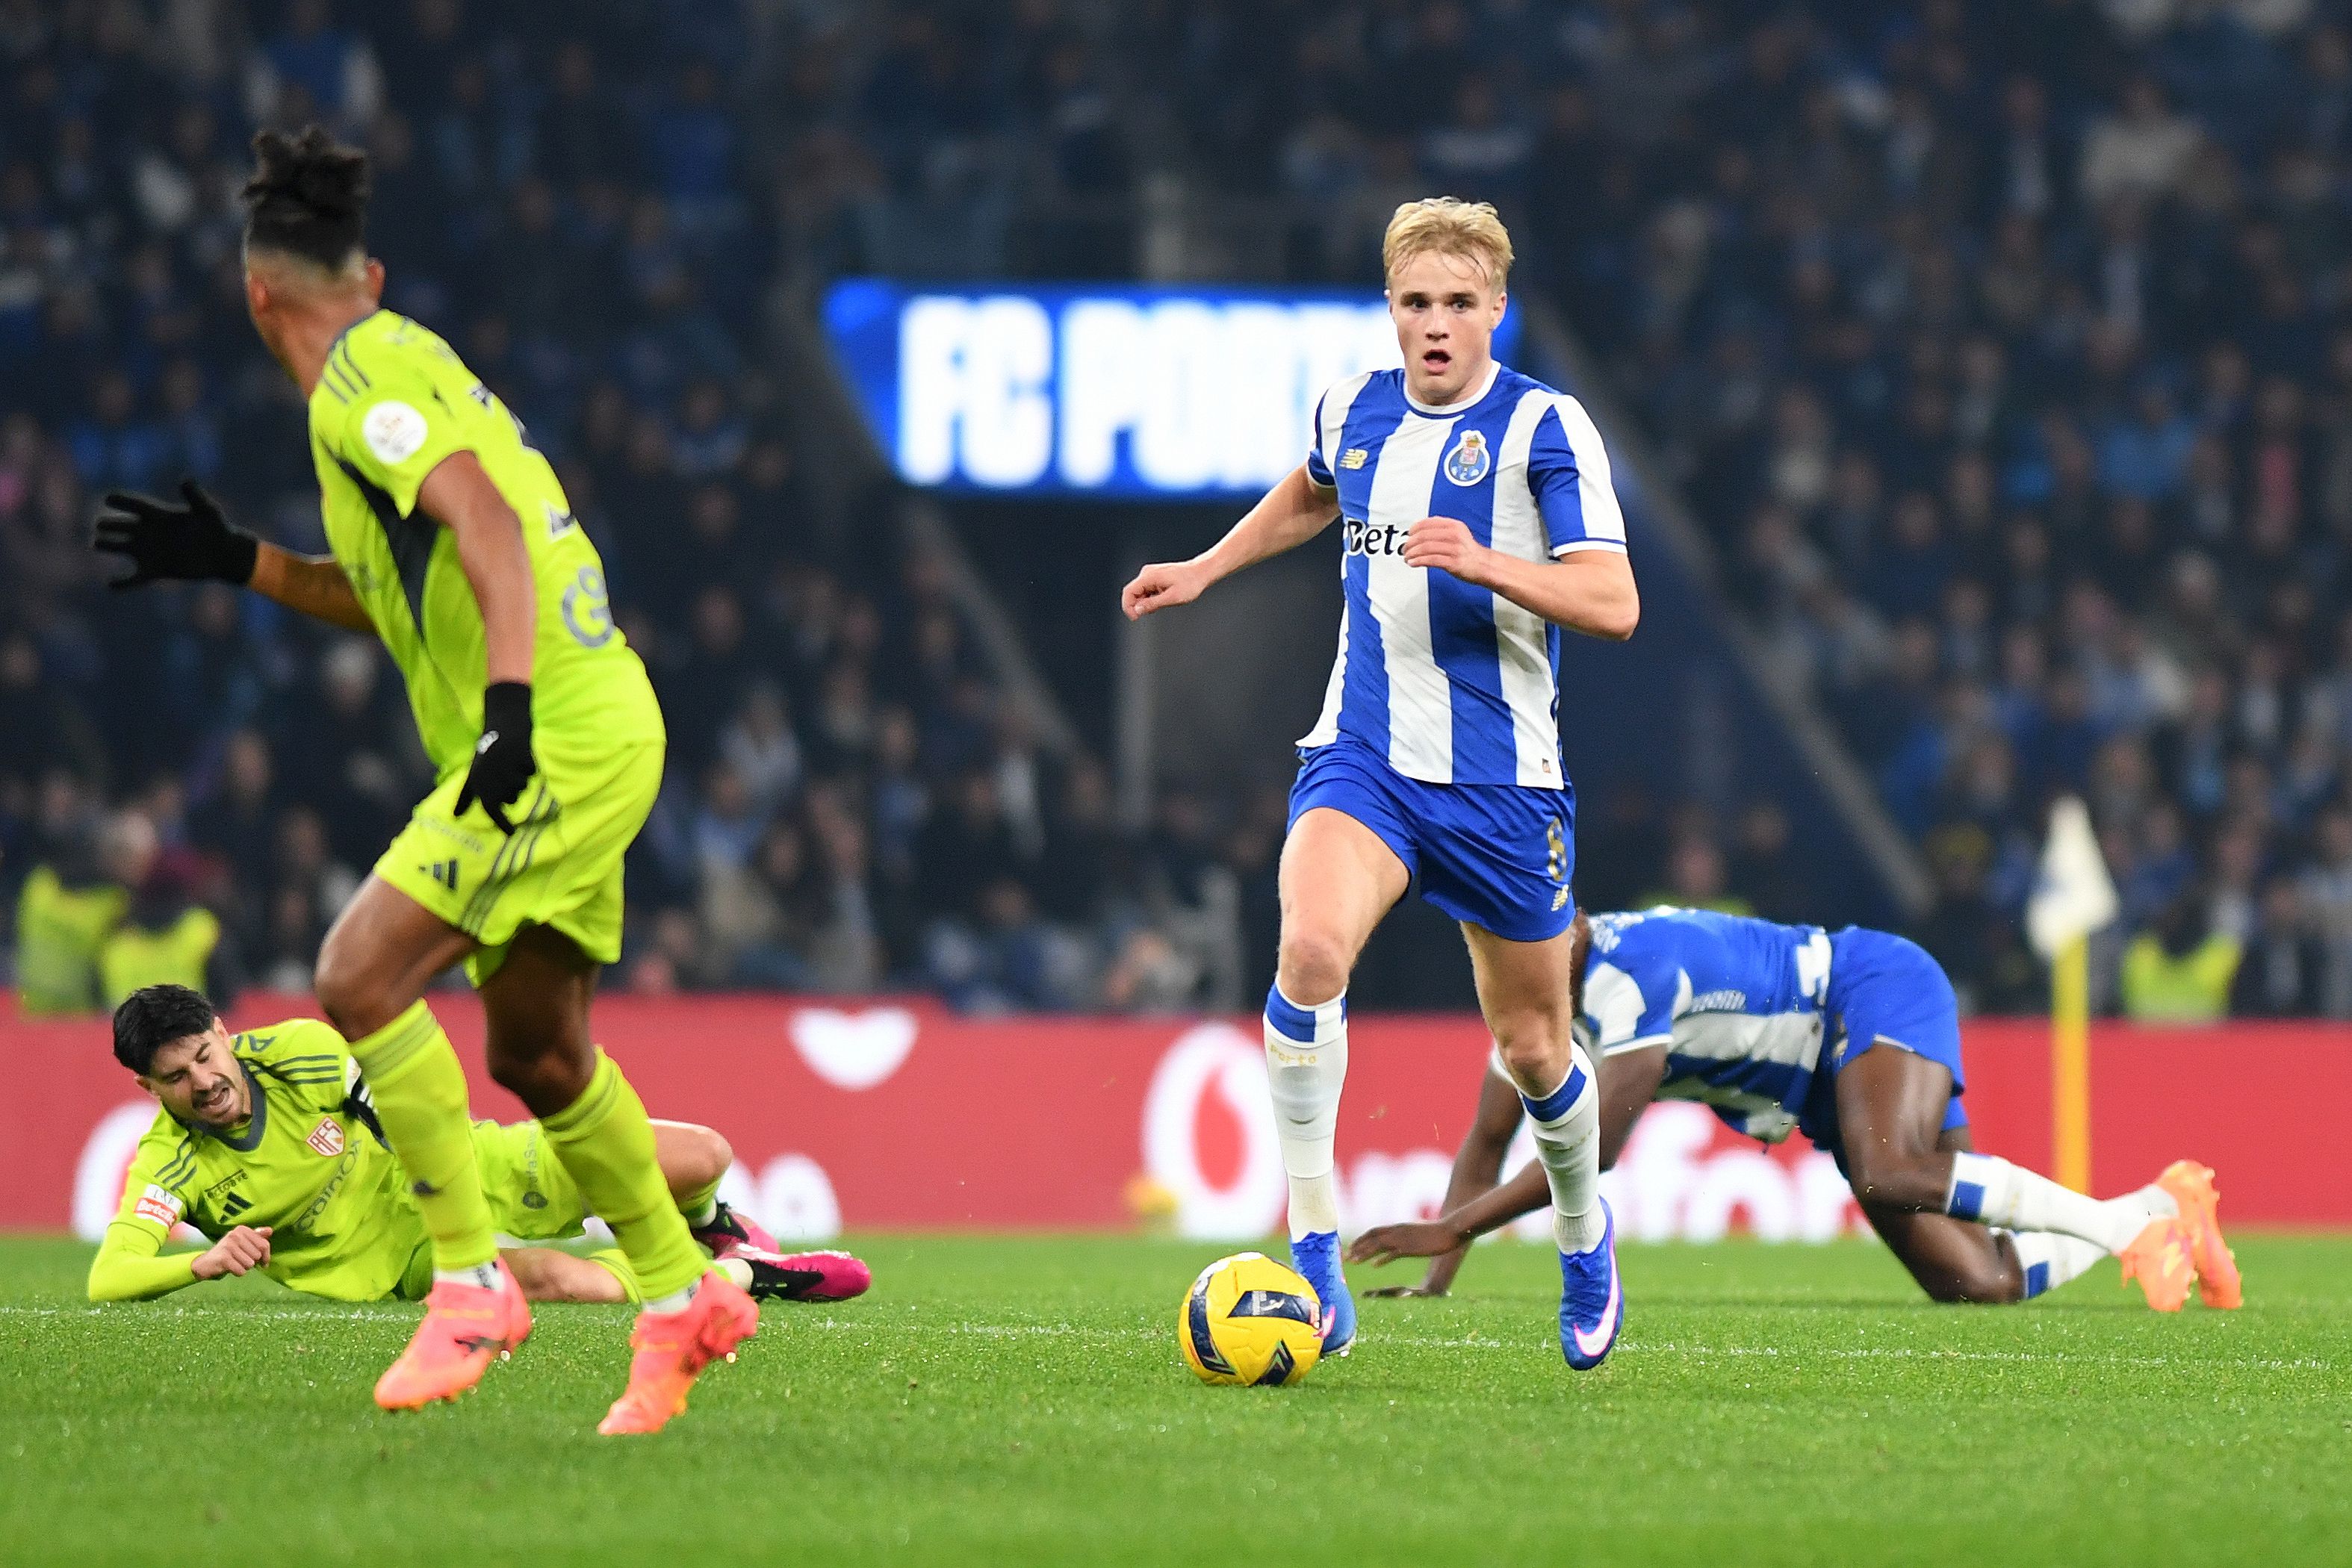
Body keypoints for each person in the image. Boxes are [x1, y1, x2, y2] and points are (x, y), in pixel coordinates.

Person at [92, 126, 753, 1433]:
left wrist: (504, 714)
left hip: (550, 727)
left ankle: (468, 1286)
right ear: (371, 272)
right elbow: (397, 593)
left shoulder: (358, 381)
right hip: (597, 718)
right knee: (539, 1050)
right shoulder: (407, 365)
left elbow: (487, 524)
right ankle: (687, 1301)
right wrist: (243, 567)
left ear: (254, 297)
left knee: (355, 979)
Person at [1121, 199, 1641, 1369]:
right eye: (1416, 303)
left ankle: (1580, 1231)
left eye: (1460, 303)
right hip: (1362, 758)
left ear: (1497, 312)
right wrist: (1208, 568)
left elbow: (1615, 604)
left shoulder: (1546, 431)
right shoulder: (1350, 408)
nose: (1437, 325)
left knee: (1535, 1050)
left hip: (1506, 785)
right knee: (1308, 955)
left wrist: (1487, 561)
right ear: (1391, 310)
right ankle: (1312, 1251)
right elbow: (1314, 492)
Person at [1347, 908, 2243, 1312]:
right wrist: (1438, 1271)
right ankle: (2159, 1209)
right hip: (1819, 1080)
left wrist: (1449, 1224)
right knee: (1980, 1283)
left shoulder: (1625, 976)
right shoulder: (1528, 1014)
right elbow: (1489, 1135)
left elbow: (1597, 1148)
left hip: (1866, 987)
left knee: (1889, 1168)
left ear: (1568, 927)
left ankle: (2121, 1233)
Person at [90, 985, 871, 1309]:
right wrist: (201, 1261)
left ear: (224, 1033)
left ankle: (711, 1220)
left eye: (204, 1056)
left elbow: (399, 1116)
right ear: (148, 1090)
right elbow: (109, 1276)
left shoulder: (298, 1049)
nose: (204, 1082)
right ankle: (745, 1274)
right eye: (177, 1077)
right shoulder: (171, 1164)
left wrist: (457, 1186)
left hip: (458, 1167)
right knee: (567, 1282)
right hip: (400, 1257)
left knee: (703, 1153)